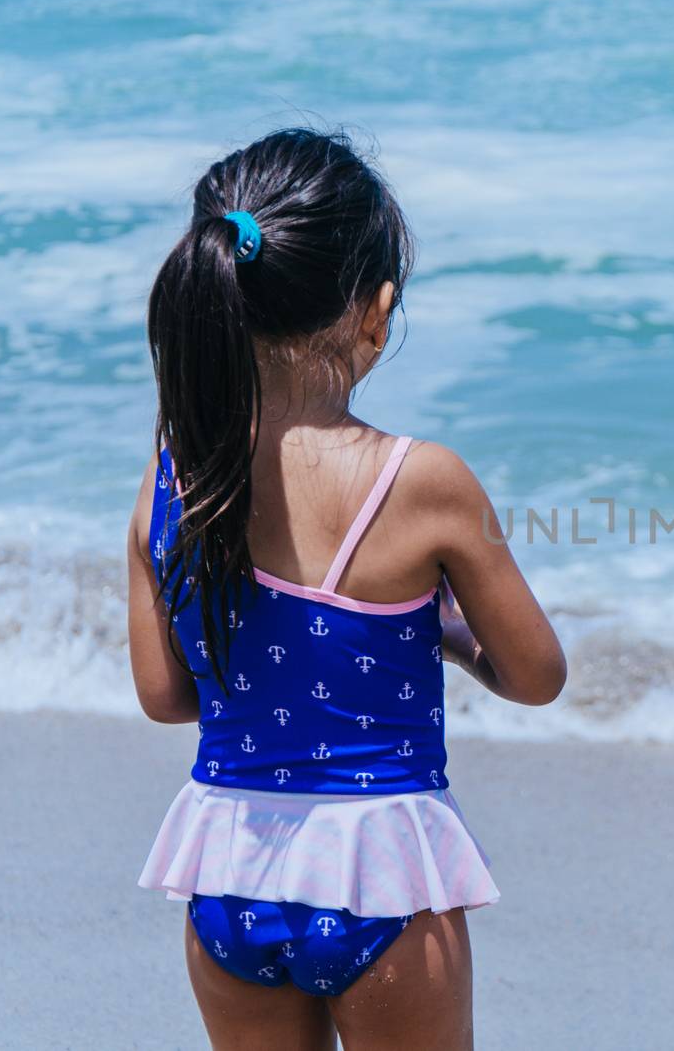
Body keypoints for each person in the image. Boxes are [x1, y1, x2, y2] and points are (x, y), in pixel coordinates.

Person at [125, 128, 566, 1050]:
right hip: (381, 869)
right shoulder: (423, 479)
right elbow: (535, 674)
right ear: (377, 311)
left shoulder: (173, 474)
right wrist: (436, 630)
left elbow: (166, 697)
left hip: (231, 863)